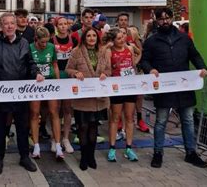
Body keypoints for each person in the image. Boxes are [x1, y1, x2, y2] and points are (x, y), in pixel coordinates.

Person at [0, 12, 43, 175]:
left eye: (12, 23)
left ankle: (24, 157)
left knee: (22, 126)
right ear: (1, 26)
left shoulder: (25, 43)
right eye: (6, 23)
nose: (10, 26)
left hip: (21, 92)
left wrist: (37, 73)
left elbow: (31, 63)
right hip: (1, 92)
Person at [140, 8, 207, 169]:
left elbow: (195, 55)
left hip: (184, 86)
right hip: (164, 87)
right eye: (161, 19)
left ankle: (191, 153)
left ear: (172, 18)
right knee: (161, 121)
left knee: (188, 120)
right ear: (156, 21)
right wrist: (150, 70)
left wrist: (203, 68)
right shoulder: (151, 41)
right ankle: (158, 153)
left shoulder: (184, 38)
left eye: (167, 18)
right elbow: (144, 61)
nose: (165, 21)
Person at [65, 27, 111, 171]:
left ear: (97, 38)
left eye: (94, 36)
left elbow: (109, 69)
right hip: (83, 98)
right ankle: (84, 157)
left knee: (94, 127)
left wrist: (105, 74)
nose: (91, 38)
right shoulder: (76, 51)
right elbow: (68, 69)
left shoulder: (104, 52)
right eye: (89, 36)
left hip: (98, 98)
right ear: (84, 38)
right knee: (83, 127)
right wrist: (76, 73)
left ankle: (91, 156)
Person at [103, 28, 140, 162]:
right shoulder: (109, 51)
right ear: (113, 40)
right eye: (118, 38)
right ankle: (112, 147)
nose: (122, 40)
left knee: (129, 117)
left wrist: (134, 66)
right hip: (117, 88)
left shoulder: (129, 49)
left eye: (123, 37)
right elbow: (104, 65)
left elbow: (137, 55)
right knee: (115, 118)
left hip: (130, 86)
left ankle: (128, 148)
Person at [29, 27, 63, 160]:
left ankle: (58, 145)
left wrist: (58, 82)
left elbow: (55, 65)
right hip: (35, 84)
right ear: (36, 39)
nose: (44, 45)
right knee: (34, 113)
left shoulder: (51, 47)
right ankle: (36, 145)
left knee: (54, 112)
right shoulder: (30, 48)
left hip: (50, 82)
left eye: (46, 42)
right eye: (42, 42)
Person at [50, 16, 77, 154]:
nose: (63, 26)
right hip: (56, 76)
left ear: (68, 25)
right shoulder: (51, 40)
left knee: (67, 108)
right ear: (56, 26)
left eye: (65, 24)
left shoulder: (74, 40)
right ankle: (55, 138)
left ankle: (66, 138)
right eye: (60, 24)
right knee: (55, 109)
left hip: (69, 76)